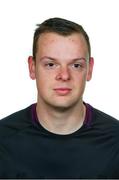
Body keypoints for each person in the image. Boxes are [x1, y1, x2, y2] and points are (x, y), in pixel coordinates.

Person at [0, 17, 119, 179]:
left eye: (76, 65)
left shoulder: (115, 140)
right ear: (32, 67)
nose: (64, 75)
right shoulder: (3, 141)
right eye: (50, 64)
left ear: (89, 69)